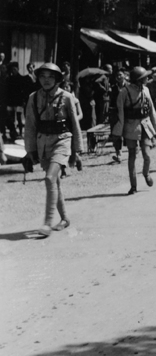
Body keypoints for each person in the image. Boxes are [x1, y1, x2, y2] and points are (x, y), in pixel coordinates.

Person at [24, 63, 83, 236]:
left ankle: (47, 223)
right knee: (55, 182)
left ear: (58, 79)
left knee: (49, 178)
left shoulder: (66, 97)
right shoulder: (33, 98)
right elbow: (30, 126)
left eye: (50, 77)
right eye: (42, 76)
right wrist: (30, 151)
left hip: (62, 141)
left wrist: (77, 150)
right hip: (43, 143)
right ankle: (64, 219)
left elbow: (75, 124)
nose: (46, 80)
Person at [112, 66, 156, 195]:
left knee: (147, 155)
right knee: (132, 156)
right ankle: (133, 185)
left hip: (145, 125)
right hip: (130, 126)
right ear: (138, 79)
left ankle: (146, 173)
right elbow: (120, 112)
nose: (147, 79)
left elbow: (151, 109)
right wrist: (118, 131)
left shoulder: (146, 90)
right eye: (144, 77)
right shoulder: (124, 92)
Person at [108, 69, 128, 163]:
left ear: (124, 75)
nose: (119, 77)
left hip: (127, 112)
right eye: (117, 75)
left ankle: (133, 149)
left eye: (120, 75)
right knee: (116, 134)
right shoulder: (113, 87)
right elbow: (111, 101)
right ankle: (118, 153)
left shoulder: (128, 86)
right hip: (116, 112)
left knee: (128, 131)